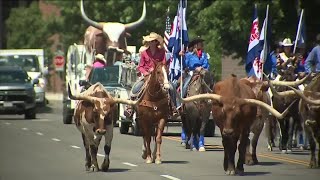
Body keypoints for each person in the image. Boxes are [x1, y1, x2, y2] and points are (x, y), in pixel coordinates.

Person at [124, 32, 179, 118]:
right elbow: (140, 66)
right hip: (147, 76)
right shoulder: (144, 53)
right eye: (150, 41)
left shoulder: (161, 52)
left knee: (171, 88)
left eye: (153, 41)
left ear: (157, 42)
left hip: (159, 75)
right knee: (136, 87)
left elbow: (164, 64)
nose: (152, 42)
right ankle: (130, 107)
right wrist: (146, 72)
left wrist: (158, 69)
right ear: (148, 42)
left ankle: (173, 108)